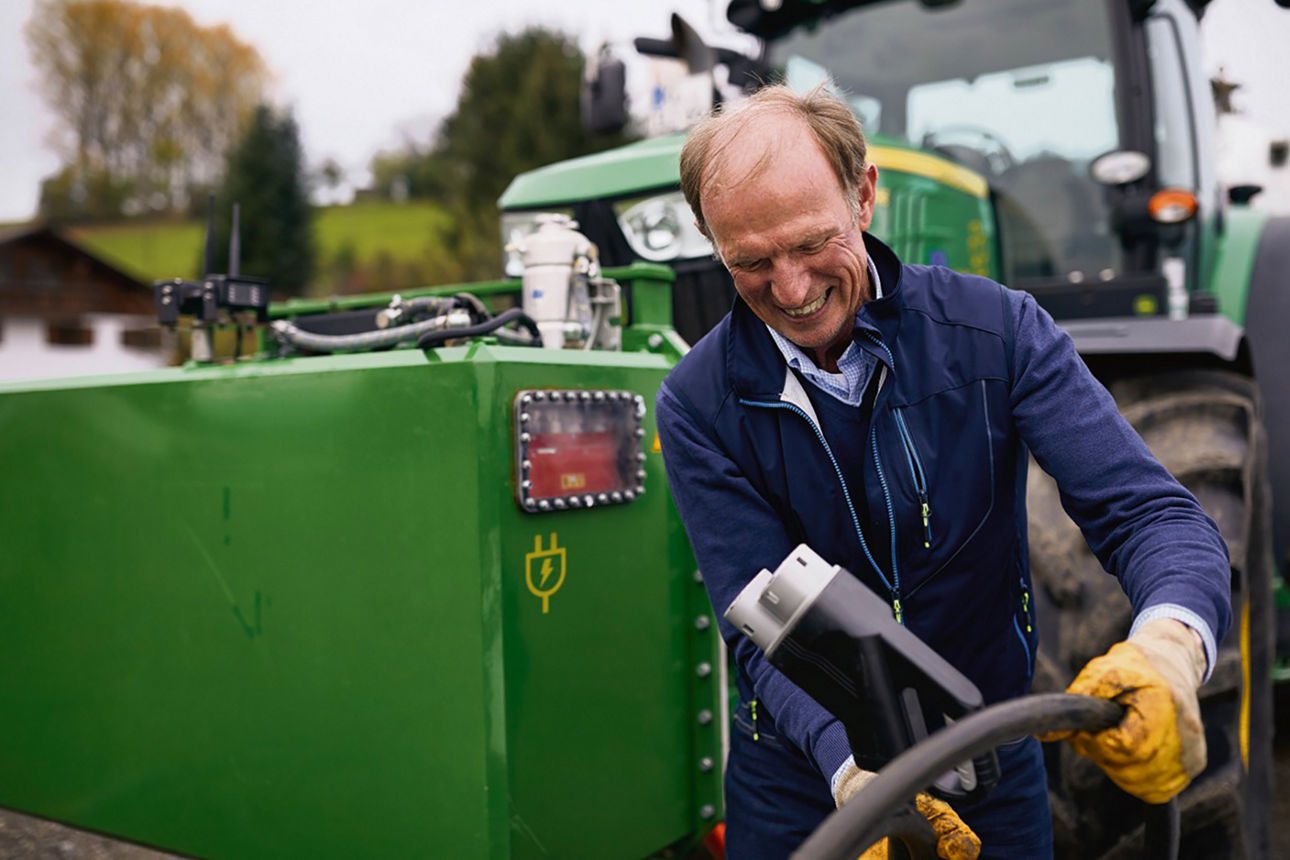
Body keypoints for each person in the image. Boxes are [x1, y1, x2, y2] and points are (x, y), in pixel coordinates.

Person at [655, 84, 1229, 859]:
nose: (790, 291)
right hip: (806, 782)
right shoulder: (696, 404)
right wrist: (852, 771)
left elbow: (1152, 515)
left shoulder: (998, 332)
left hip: (988, 754)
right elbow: (764, 625)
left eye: (809, 244)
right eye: (750, 262)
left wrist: (1168, 644)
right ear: (710, 239)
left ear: (863, 198)